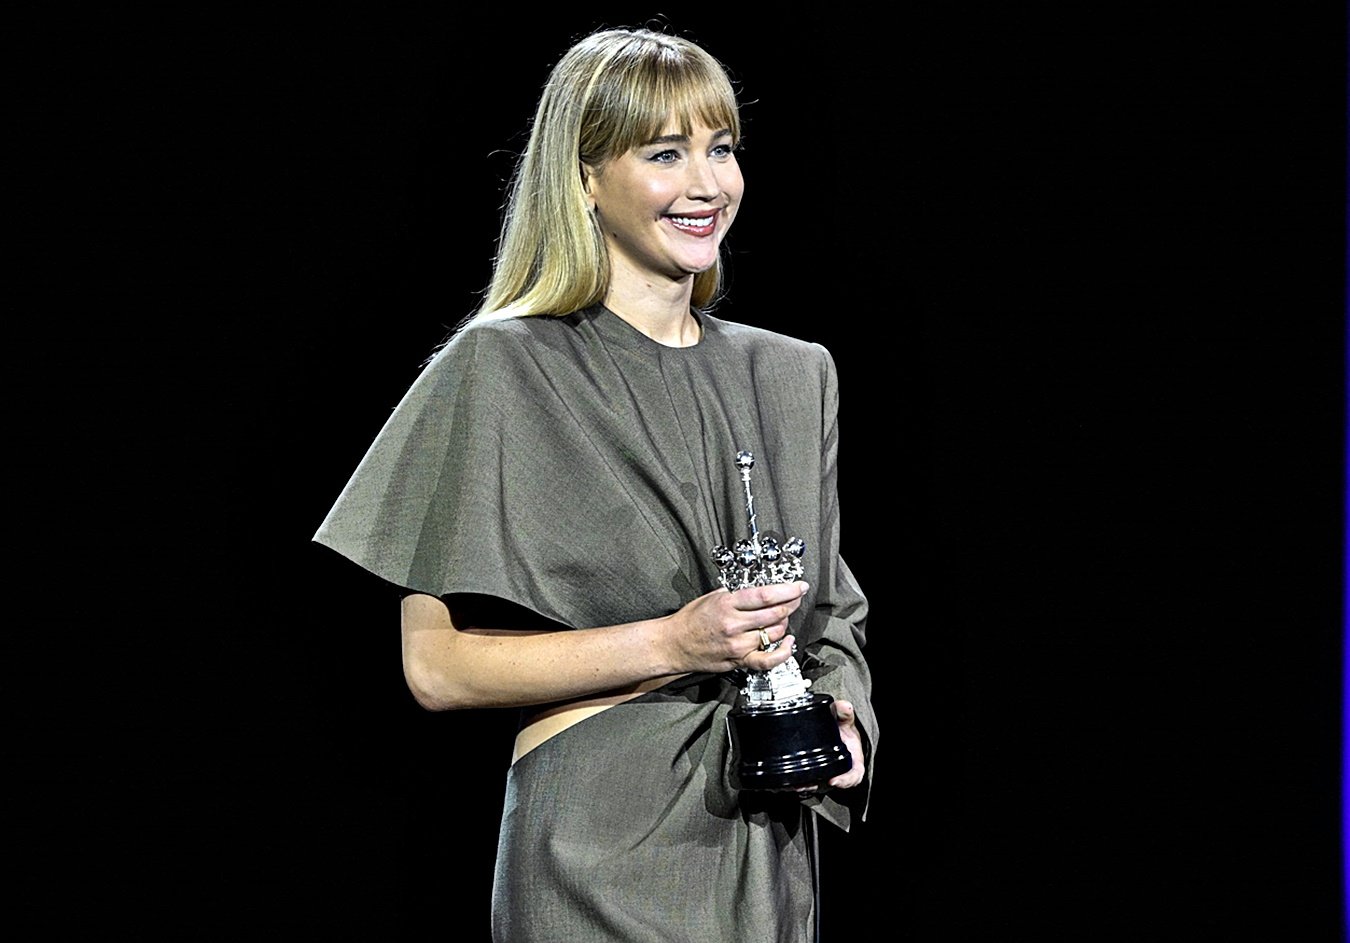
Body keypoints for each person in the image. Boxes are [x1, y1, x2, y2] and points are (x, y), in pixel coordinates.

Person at [313, 25, 877, 942]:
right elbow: (437, 668)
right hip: (596, 851)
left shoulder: (794, 373)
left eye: (721, 148)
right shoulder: (504, 367)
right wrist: (676, 641)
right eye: (665, 154)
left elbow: (832, 613)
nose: (708, 183)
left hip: (766, 853)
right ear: (584, 177)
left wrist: (849, 720)